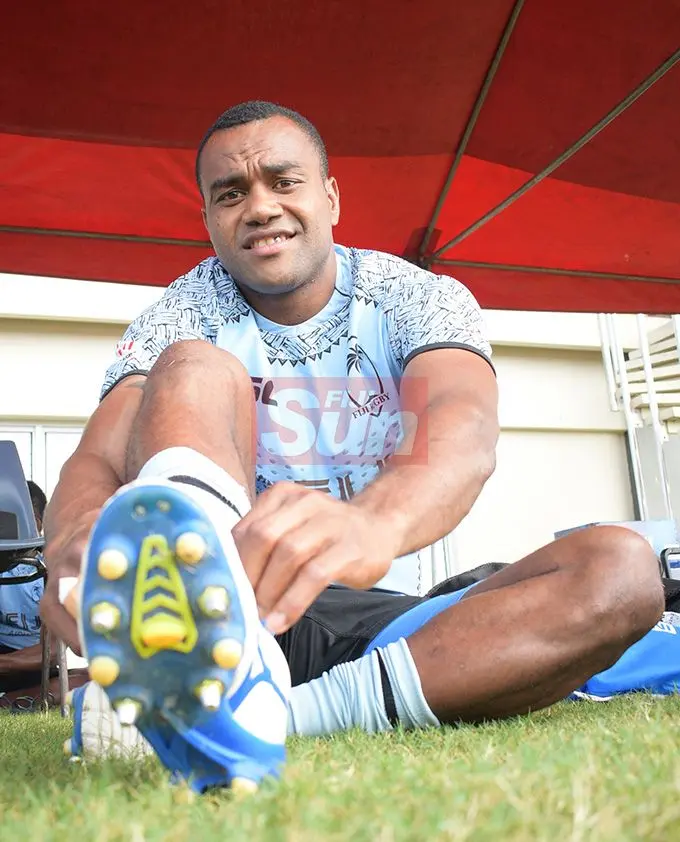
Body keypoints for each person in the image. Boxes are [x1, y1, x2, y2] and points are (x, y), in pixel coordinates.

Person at [40, 101, 663, 791]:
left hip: (388, 621)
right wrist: (76, 538)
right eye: (231, 193)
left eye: (284, 181)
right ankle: (212, 640)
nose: (260, 206)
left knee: (623, 571)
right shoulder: (180, 314)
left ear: (330, 197)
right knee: (192, 364)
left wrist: (374, 523)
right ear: (209, 219)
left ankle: (263, 714)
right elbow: (98, 457)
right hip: (242, 604)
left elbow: (461, 425)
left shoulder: (412, 297)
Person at [0, 481, 48, 694]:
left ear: (36, 522)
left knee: (92, 679)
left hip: (34, 664)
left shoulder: (51, 565)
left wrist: (5, 664)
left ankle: (9, 700)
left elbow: (53, 652)